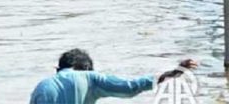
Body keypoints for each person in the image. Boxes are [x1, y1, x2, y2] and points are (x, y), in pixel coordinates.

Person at [30, 49, 198, 103]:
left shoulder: (42, 86)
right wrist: (174, 72)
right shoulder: (90, 77)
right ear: (86, 68)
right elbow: (131, 87)